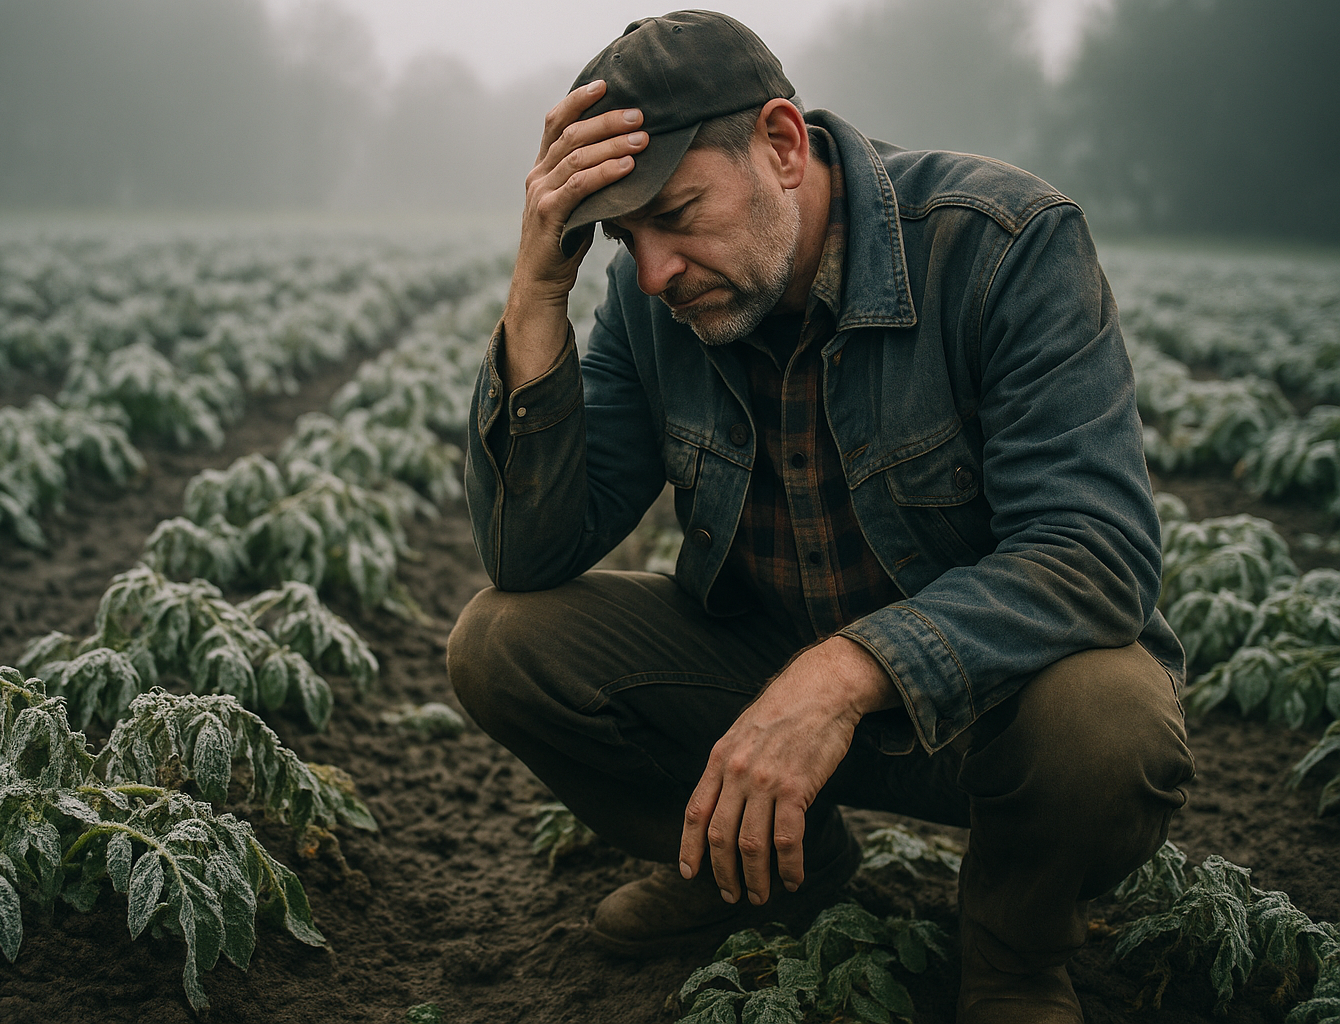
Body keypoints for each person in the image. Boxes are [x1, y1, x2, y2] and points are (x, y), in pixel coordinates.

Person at [446, 10, 1196, 1022]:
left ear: (783, 145)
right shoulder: (648, 301)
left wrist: (844, 674)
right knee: (501, 641)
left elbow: (1094, 550)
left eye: (677, 212)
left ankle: (1014, 951)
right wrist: (536, 293)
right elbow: (525, 553)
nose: (655, 270)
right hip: (761, 687)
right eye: (623, 236)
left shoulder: (1001, 243)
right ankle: (767, 872)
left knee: (1108, 720)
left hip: (982, 713)